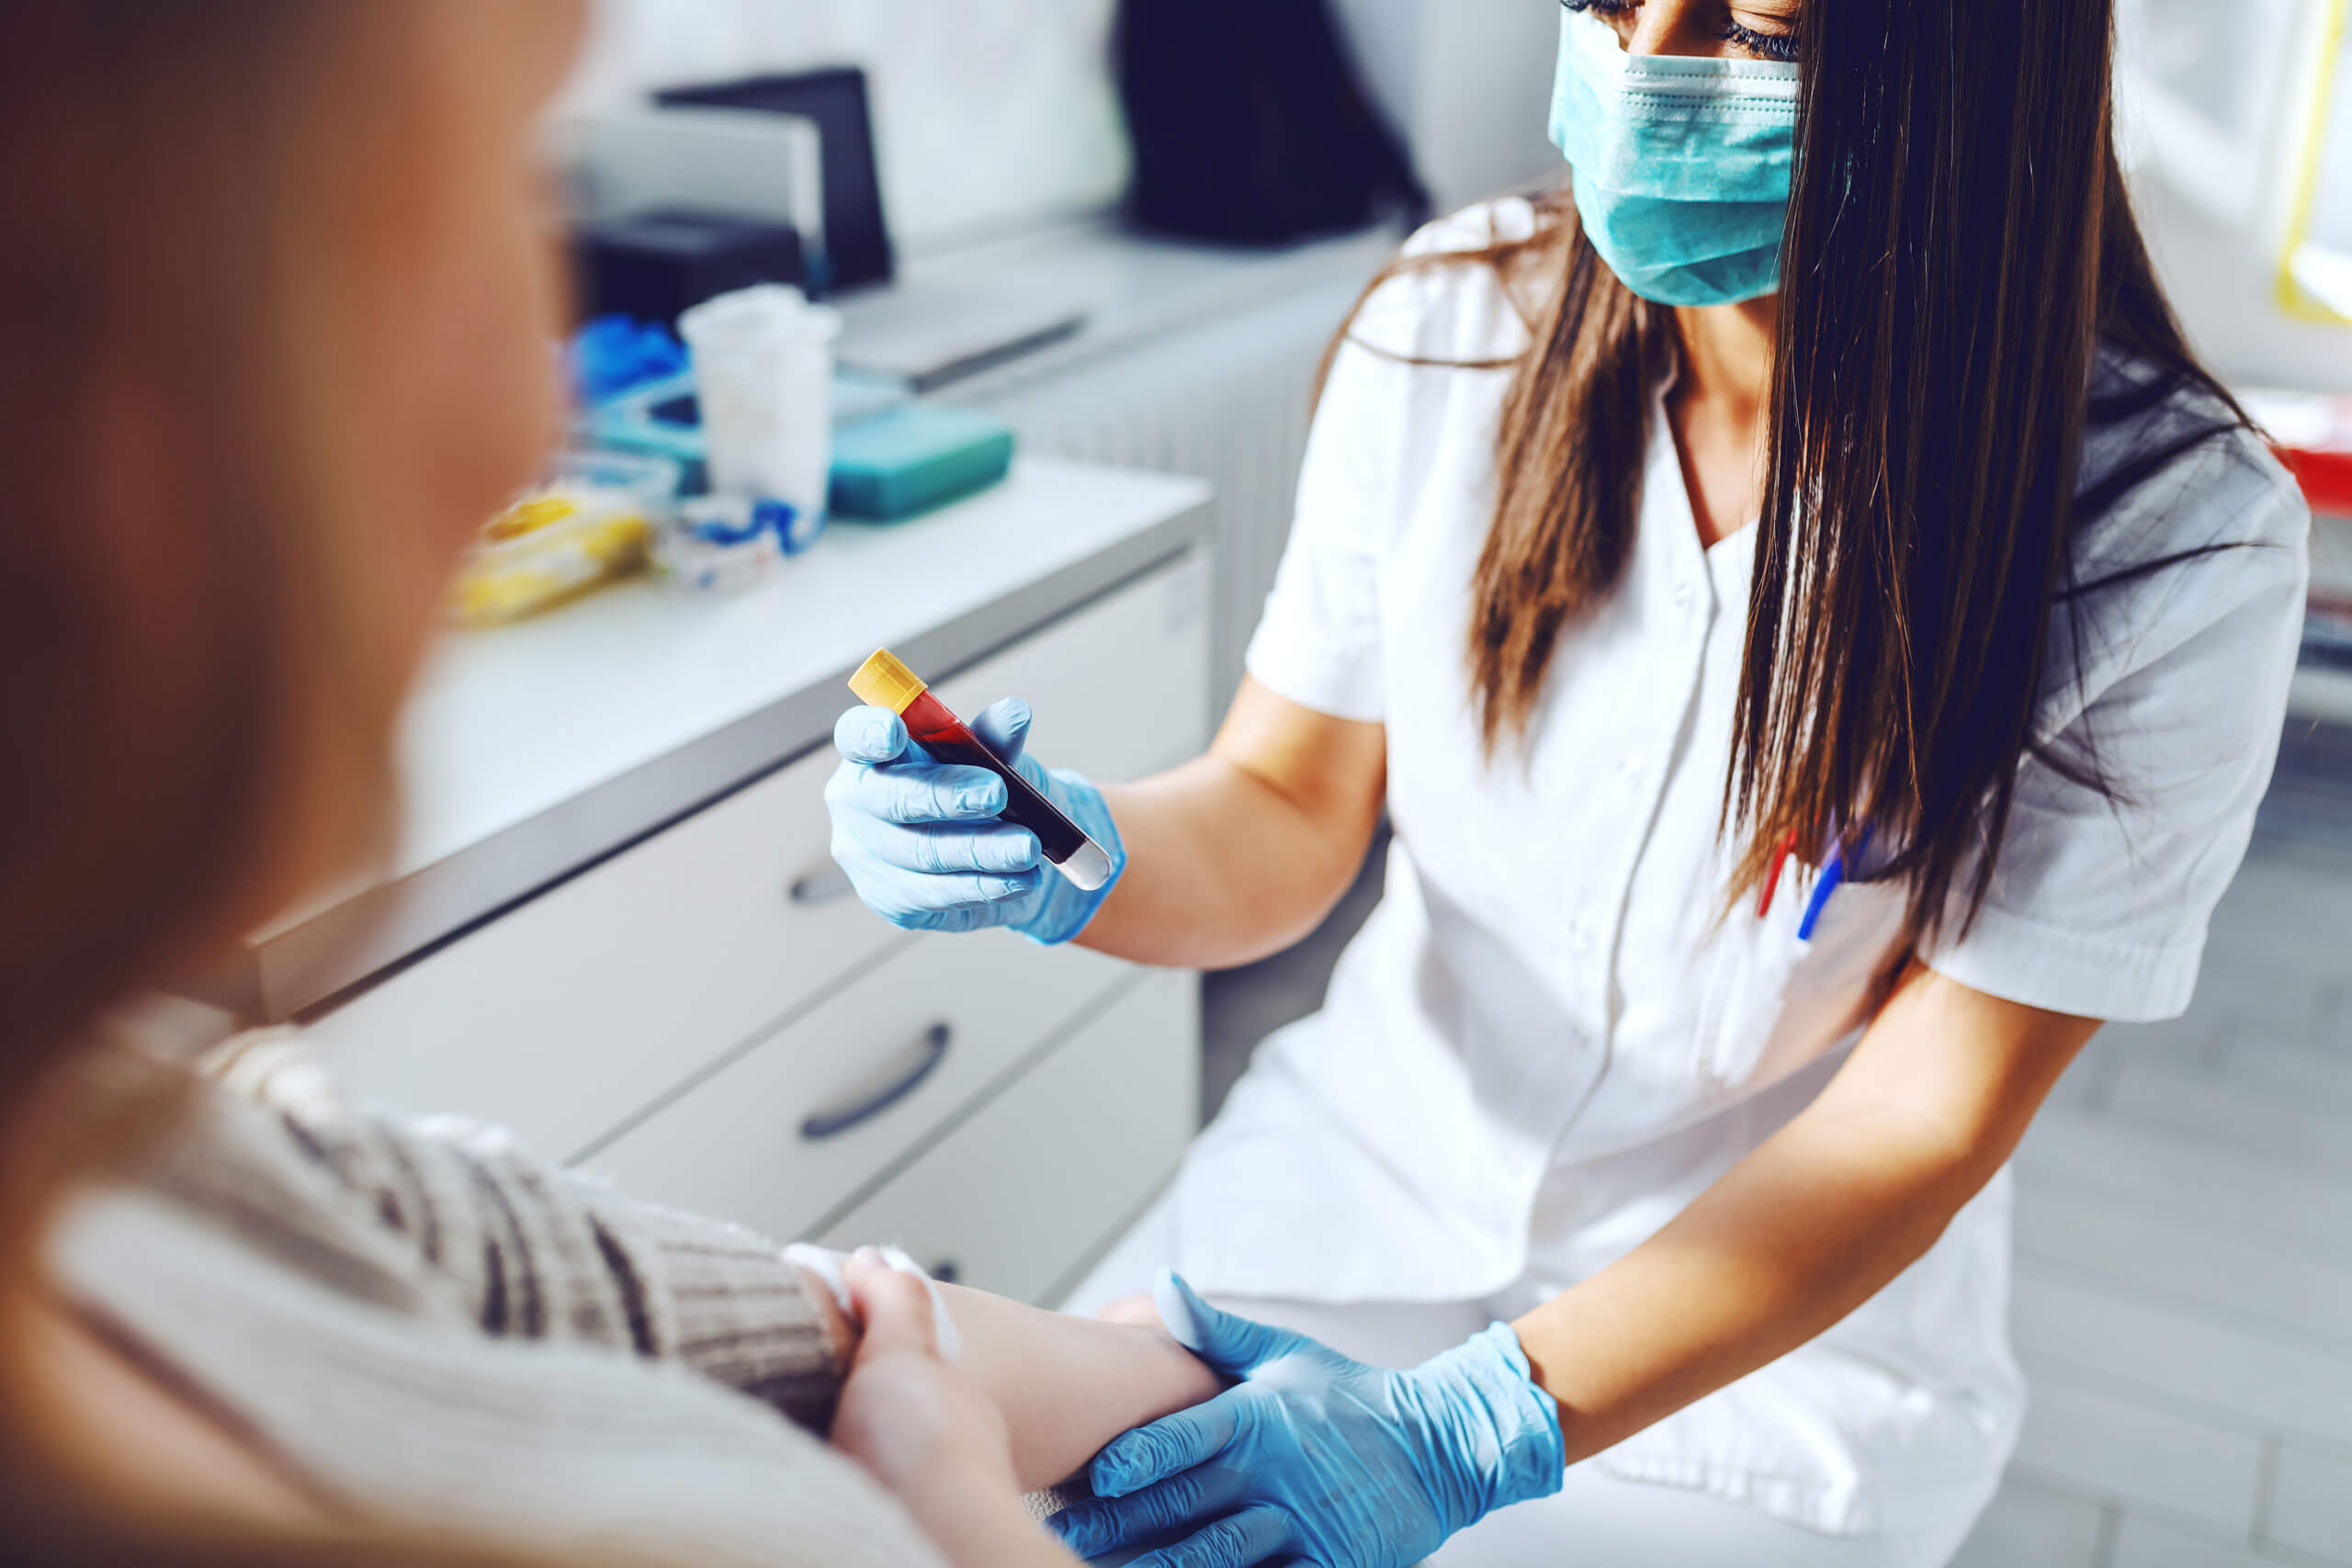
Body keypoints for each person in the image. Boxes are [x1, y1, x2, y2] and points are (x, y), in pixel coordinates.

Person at [821, 0, 2315, 1564]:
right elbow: (1282, 804)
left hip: (1752, 1352)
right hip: (1348, 1195)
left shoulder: (2171, 535)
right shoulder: (1451, 324)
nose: (1647, 70)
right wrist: (1079, 851)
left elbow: (1917, 1120)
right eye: (1610, 1)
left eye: (1750, 29)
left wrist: (1477, 1425)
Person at [0, 5, 1218, 1567]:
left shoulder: (157, 1153)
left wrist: (1168, 1377)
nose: (534, 422)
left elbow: (633, 1294)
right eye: (491, 182)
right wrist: (964, 1512)